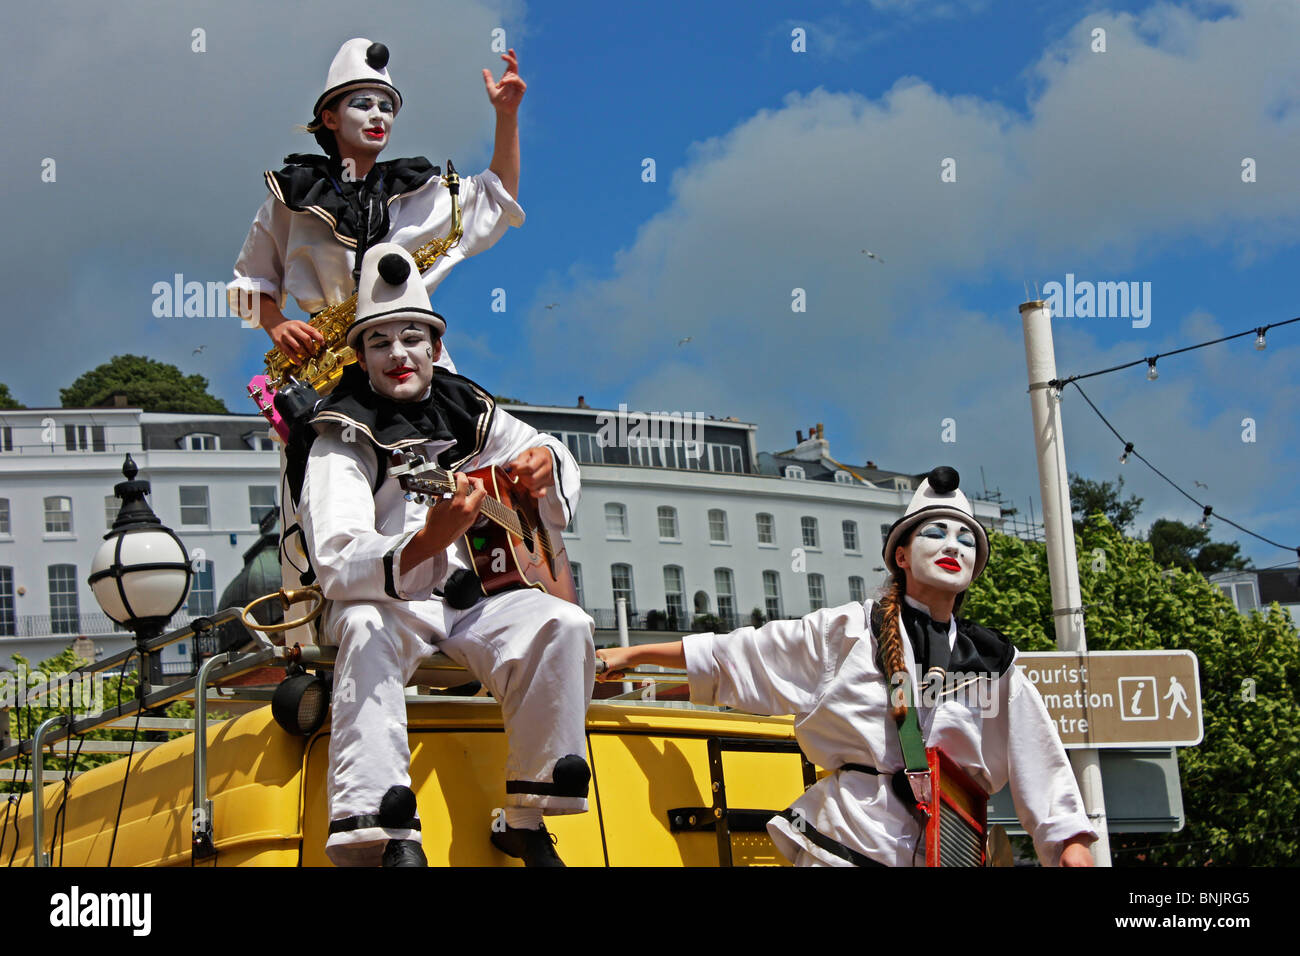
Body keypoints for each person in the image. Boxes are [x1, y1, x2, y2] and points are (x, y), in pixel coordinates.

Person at [597, 467, 1098, 867]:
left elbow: (1041, 759)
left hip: (950, 847)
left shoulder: (994, 663)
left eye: (966, 541)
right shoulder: (848, 630)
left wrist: (1069, 842)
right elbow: (741, 654)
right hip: (850, 841)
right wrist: (630, 655)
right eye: (937, 533)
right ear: (901, 554)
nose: (953, 546)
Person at [297, 242, 593, 867]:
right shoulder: (340, 436)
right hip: (392, 600)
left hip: (477, 598)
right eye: (380, 342)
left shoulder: (468, 407)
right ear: (360, 356)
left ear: (434, 346)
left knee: (563, 622)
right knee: (365, 628)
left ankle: (527, 818)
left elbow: (541, 445)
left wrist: (546, 466)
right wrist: (429, 539)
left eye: (412, 338)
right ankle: (383, 832)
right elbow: (336, 557)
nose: (399, 354)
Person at [228, 36, 527, 373]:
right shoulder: (292, 197)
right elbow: (250, 284)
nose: (378, 117)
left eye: (386, 108)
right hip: (324, 366)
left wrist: (506, 115)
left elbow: (497, 194)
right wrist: (276, 324)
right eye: (363, 104)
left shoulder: (423, 191)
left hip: (413, 361)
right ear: (330, 118)